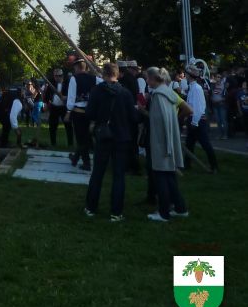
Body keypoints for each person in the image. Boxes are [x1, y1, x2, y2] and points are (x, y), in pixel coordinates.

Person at [84, 63, 139, 221]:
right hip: (121, 137)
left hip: (103, 136)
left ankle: (91, 207)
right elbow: (134, 118)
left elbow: (89, 113)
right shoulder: (125, 93)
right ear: (117, 74)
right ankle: (116, 212)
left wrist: (99, 119)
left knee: (98, 173)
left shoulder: (96, 91)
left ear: (103, 74)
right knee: (118, 175)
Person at [146, 66, 189, 221]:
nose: (146, 81)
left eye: (147, 78)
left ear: (153, 79)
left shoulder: (158, 96)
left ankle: (164, 212)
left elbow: (159, 122)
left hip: (161, 142)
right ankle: (180, 208)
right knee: (169, 176)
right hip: (168, 139)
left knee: (161, 176)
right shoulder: (168, 92)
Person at [66, 58, 99, 171]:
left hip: (78, 112)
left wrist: (68, 111)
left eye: (74, 67)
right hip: (90, 112)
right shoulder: (95, 78)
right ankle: (75, 158)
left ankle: (86, 163)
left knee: (81, 139)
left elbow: (71, 97)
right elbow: (104, 82)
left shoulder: (74, 78)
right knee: (85, 137)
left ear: (77, 67)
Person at [185, 66, 219, 172]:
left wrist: (194, 122)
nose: (185, 75)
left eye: (186, 74)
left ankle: (214, 166)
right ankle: (187, 165)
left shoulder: (196, 88)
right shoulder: (192, 87)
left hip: (198, 120)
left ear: (189, 76)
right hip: (194, 119)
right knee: (189, 144)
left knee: (205, 144)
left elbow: (199, 108)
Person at [44, 69, 73, 148]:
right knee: (52, 126)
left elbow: (71, 95)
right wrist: (46, 103)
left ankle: (70, 144)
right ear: (54, 76)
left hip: (64, 107)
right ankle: (53, 143)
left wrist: (65, 97)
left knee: (68, 126)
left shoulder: (67, 84)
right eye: (56, 76)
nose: (57, 77)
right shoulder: (51, 84)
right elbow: (47, 95)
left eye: (59, 76)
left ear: (62, 76)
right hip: (54, 107)